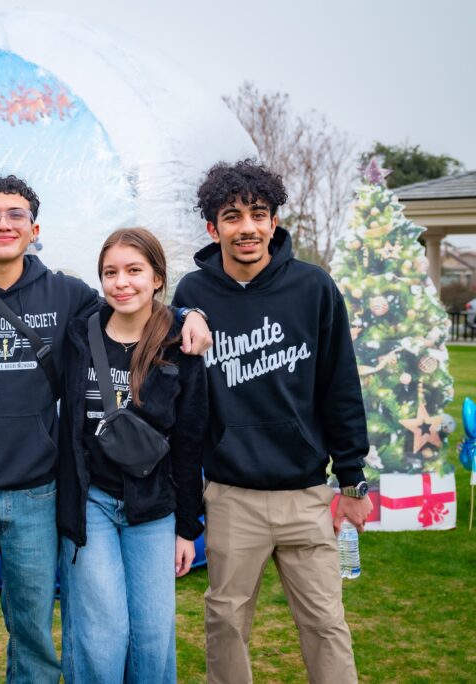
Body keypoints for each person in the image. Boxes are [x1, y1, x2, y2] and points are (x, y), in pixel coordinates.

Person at [0, 174, 211, 683]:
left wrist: (189, 312)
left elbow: (135, 307)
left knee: (33, 633)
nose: (3, 223)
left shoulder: (70, 296)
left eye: (16, 215)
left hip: (36, 494)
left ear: (34, 229)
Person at [172, 159, 372, 684]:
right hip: (232, 495)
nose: (248, 228)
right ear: (213, 228)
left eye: (259, 214)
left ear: (275, 221)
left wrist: (352, 477)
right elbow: (185, 406)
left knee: (327, 624)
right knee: (225, 623)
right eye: (232, 216)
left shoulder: (314, 288)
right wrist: (178, 315)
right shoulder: (193, 294)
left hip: (306, 494)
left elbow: (341, 388)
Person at [56, 227, 207, 683]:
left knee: (152, 635)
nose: (122, 282)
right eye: (111, 272)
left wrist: (187, 527)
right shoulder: (80, 336)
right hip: (92, 504)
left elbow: (189, 442)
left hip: (154, 507)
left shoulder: (180, 342)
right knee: (102, 634)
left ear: (158, 277)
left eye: (134, 271)